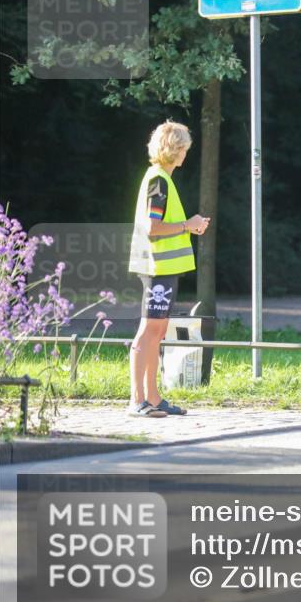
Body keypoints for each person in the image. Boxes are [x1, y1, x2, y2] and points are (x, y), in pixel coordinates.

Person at [126, 121, 210, 417]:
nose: (186, 154)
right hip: (156, 268)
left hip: (164, 268)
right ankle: (138, 400)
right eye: (184, 148)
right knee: (149, 330)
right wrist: (189, 224)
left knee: (158, 330)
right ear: (175, 149)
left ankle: (153, 397)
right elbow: (153, 227)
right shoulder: (158, 180)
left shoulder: (162, 178)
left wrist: (189, 226)